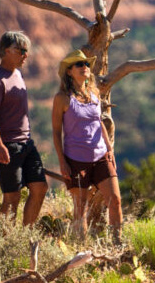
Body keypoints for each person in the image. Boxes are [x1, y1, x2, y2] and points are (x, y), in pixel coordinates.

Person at [52, 49, 122, 240]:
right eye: (79, 64)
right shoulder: (62, 98)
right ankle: (80, 248)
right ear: (69, 71)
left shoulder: (94, 93)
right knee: (80, 208)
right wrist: (62, 162)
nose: (84, 67)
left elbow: (98, 122)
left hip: (101, 156)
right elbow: (56, 132)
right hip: (76, 159)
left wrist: (109, 150)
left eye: (86, 64)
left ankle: (117, 243)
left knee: (115, 200)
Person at [0, 31, 48, 225]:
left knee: (40, 188)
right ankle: (8, 244)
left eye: (26, 51)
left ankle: (26, 236)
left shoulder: (18, 74)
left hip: (26, 143)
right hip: (8, 145)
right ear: (7, 51)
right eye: (21, 50)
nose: (25, 55)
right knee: (12, 197)